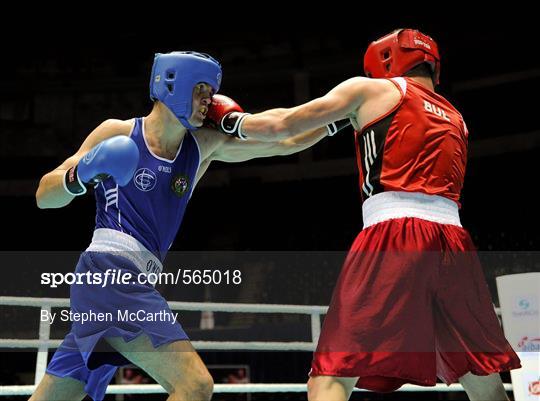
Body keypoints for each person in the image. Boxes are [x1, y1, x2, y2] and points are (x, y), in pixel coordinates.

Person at [213, 29, 522, 401]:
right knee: (481, 377)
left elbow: (284, 127)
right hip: (454, 245)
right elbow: (296, 140)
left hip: (394, 235)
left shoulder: (370, 91)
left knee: (330, 374)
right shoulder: (456, 116)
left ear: (386, 60)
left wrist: (231, 122)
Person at [33, 51, 349, 401]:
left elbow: (283, 140)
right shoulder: (118, 132)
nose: (209, 101)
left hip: (133, 280)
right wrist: (81, 175)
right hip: (108, 274)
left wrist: (339, 116)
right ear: (174, 84)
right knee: (195, 386)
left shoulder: (201, 146)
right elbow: (44, 196)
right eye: (202, 90)